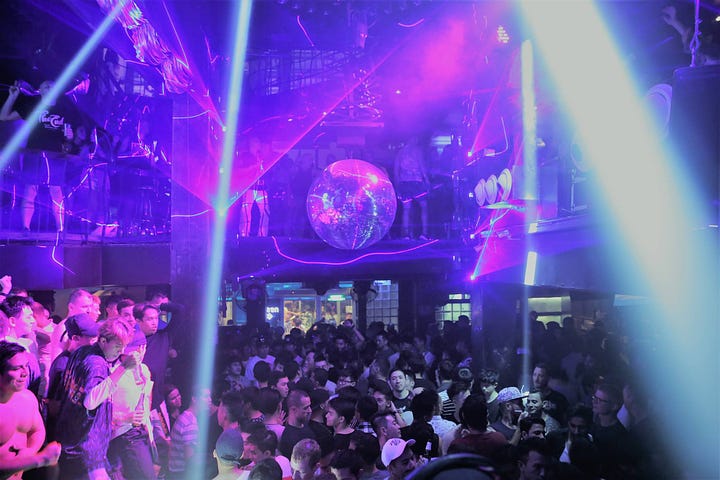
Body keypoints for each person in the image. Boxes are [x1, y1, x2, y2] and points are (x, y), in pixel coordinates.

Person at [55, 318, 137, 479]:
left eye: (124, 346)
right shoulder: (97, 364)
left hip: (70, 440)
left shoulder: (81, 351)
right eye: (118, 346)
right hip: (86, 448)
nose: (121, 351)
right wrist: (123, 368)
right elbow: (90, 401)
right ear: (103, 341)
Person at [0, 80, 82, 233]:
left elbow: (70, 137)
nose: (51, 88)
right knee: (31, 189)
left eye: (53, 86)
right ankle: (26, 227)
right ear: (40, 90)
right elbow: (4, 116)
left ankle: (61, 229)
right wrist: (13, 96)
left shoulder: (65, 109)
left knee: (56, 191)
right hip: (34, 154)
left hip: (56, 155)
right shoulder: (33, 106)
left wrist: (70, 137)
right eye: (46, 86)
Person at [0, 341, 61, 480]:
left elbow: (37, 430)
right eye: (16, 368)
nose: (25, 373)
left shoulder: (27, 398)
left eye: (26, 366)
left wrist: (30, 451)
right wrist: (40, 459)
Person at [107, 329, 156, 480]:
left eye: (136, 350)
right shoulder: (113, 372)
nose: (130, 355)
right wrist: (124, 417)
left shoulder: (145, 370)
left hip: (142, 432)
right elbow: (99, 409)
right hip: (121, 434)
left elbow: (147, 399)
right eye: (127, 350)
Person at [394, 135, 430, 239]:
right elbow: (422, 166)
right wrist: (427, 180)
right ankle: (424, 233)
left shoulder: (400, 152)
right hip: (417, 182)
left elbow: (396, 170)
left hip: (404, 183)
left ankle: (406, 234)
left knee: (406, 209)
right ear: (414, 139)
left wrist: (398, 185)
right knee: (424, 207)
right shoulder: (417, 151)